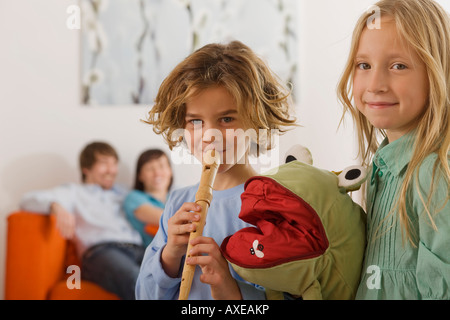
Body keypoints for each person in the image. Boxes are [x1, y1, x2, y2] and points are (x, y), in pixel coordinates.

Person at [135, 41, 297, 300]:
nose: (210, 135)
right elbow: (145, 295)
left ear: (256, 122)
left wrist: (229, 287)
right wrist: (171, 254)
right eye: (196, 121)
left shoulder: (277, 201)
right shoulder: (178, 203)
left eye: (227, 119)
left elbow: (295, 291)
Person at [337, 0, 450, 299]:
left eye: (398, 66)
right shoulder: (382, 167)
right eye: (364, 65)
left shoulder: (435, 174)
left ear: (437, 72)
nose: (375, 84)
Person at [20, 141, 145, 300]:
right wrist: (55, 206)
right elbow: (27, 200)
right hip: (102, 253)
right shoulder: (74, 192)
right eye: (104, 163)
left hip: (139, 249)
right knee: (136, 279)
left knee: (170, 275)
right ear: (86, 169)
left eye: (114, 164)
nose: (112, 170)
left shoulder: (125, 192)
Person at [123, 149, 173, 247]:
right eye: (150, 168)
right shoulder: (134, 197)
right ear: (140, 176)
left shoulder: (179, 195)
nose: (157, 173)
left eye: (161, 166)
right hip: (156, 256)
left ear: (170, 171)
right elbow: (165, 219)